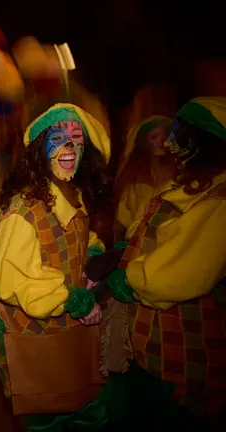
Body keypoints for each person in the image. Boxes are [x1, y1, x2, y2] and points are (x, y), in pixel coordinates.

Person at [0, 103, 112, 430]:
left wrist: (93, 254)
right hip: (35, 334)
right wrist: (72, 300)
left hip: (68, 335)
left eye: (76, 139)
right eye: (58, 138)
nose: (69, 147)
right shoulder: (22, 211)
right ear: (39, 150)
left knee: (81, 407)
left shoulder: (73, 192)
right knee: (46, 417)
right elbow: (13, 281)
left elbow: (79, 234)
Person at [96, 97, 226, 429]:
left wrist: (128, 276)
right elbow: (146, 229)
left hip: (184, 356)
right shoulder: (183, 184)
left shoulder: (219, 203)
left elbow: (175, 274)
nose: (169, 143)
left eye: (178, 133)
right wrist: (122, 252)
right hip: (152, 349)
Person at [114, 116, 175, 241]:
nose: (162, 141)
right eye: (154, 137)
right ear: (144, 141)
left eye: (165, 136)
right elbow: (123, 221)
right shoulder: (134, 180)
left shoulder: (176, 169)